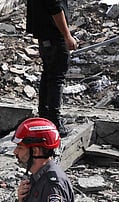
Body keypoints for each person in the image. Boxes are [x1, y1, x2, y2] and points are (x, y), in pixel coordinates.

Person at [26, 0, 77, 129]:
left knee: (48, 73)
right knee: (56, 77)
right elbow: (55, 8)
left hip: (44, 35)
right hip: (54, 34)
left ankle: (44, 116)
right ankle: (54, 121)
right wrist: (67, 36)